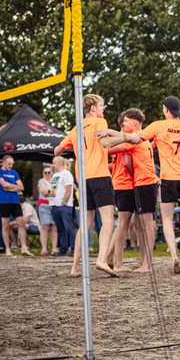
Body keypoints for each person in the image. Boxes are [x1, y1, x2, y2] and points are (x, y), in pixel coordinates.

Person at [96, 96, 180, 274]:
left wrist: (110, 134)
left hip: (167, 178)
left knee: (165, 219)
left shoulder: (158, 126)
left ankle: (174, 257)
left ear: (165, 110)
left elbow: (133, 138)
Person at [55, 94, 119, 277]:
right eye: (101, 105)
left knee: (86, 224)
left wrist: (73, 147)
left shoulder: (75, 129)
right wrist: (127, 138)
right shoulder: (100, 122)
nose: (103, 109)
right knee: (107, 220)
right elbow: (105, 141)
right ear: (93, 108)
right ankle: (101, 260)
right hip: (99, 175)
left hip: (82, 179)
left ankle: (75, 268)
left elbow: (57, 150)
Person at [102, 108, 159, 273]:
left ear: (134, 123)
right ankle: (136, 261)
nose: (123, 124)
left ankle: (140, 263)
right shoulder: (138, 139)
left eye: (125, 122)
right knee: (135, 224)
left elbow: (122, 160)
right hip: (133, 184)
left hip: (138, 183)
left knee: (139, 224)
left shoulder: (134, 139)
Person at [106, 112, 135, 272]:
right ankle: (117, 262)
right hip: (125, 184)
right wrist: (135, 176)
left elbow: (115, 164)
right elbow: (125, 162)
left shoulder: (118, 139)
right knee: (123, 224)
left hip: (117, 183)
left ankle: (109, 257)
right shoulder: (126, 138)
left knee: (123, 224)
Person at [0, 155, 33, 257]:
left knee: (21, 223)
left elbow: (22, 187)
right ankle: (7, 249)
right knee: (5, 225)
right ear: (3, 163)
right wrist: (15, 187)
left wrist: (11, 188)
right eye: (9, 164)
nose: (11, 166)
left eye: (12, 164)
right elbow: (4, 184)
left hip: (15, 201)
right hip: (4, 202)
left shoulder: (14, 173)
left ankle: (24, 248)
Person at [48, 156, 75, 256]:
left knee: (68, 228)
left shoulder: (66, 174)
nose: (53, 165)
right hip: (55, 205)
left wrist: (64, 202)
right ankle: (63, 249)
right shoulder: (55, 175)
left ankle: (74, 249)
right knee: (60, 229)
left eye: (54, 163)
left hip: (64, 206)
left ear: (59, 163)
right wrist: (52, 203)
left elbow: (69, 190)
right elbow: (54, 190)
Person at [37, 166, 58, 255]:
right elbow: (44, 192)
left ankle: (54, 248)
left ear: (52, 173)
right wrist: (53, 190)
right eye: (45, 172)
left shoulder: (54, 180)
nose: (47, 174)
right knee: (44, 227)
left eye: (49, 172)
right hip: (44, 206)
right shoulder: (41, 181)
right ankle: (44, 248)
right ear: (43, 173)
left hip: (53, 205)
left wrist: (49, 191)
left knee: (54, 228)